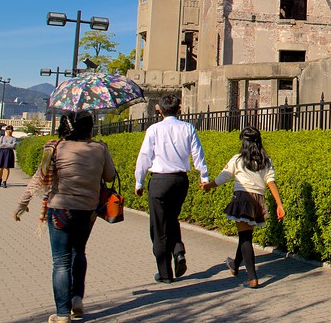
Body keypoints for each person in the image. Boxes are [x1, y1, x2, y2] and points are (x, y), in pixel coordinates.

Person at [13, 113, 117, 323]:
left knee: (61, 262)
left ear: (64, 127)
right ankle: (77, 299)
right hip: (88, 210)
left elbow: (39, 177)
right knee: (79, 252)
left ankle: (62, 314)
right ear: (90, 127)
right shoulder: (99, 148)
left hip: (59, 209)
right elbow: (109, 176)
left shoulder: (54, 147)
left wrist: (22, 203)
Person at [134, 94, 209, 284]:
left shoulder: (154, 130)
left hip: (159, 180)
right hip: (180, 180)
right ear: (179, 109)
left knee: (158, 227)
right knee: (172, 218)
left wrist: (139, 182)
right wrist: (204, 177)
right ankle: (178, 251)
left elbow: (144, 157)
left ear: (159, 110)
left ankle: (165, 273)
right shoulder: (188, 128)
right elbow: (197, 153)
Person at [200, 127, 285, 288]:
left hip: (242, 198)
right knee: (245, 234)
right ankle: (235, 264)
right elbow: (271, 181)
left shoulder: (237, 159)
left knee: (245, 237)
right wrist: (279, 204)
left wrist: (208, 186)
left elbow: (223, 178)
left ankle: (252, 277)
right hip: (258, 200)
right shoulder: (266, 160)